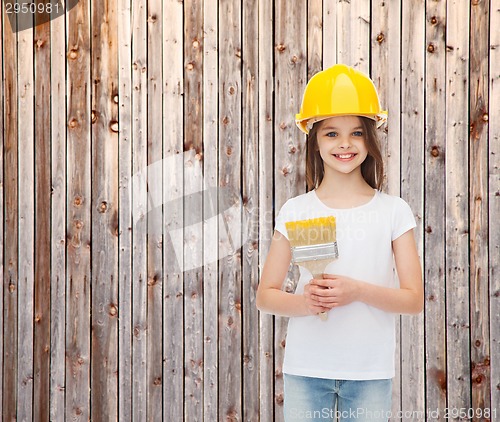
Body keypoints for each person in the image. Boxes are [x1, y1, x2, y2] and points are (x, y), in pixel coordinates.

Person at [256, 64, 424, 422]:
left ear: (370, 140)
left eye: (357, 133)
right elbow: (265, 295)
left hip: (369, 372)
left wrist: (357, 291)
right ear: (314, 140)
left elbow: (413, 300)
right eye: (331, 133)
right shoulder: (297, 210)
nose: (344, 144)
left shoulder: (393, 211)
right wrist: (307, 302)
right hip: (306, 369)